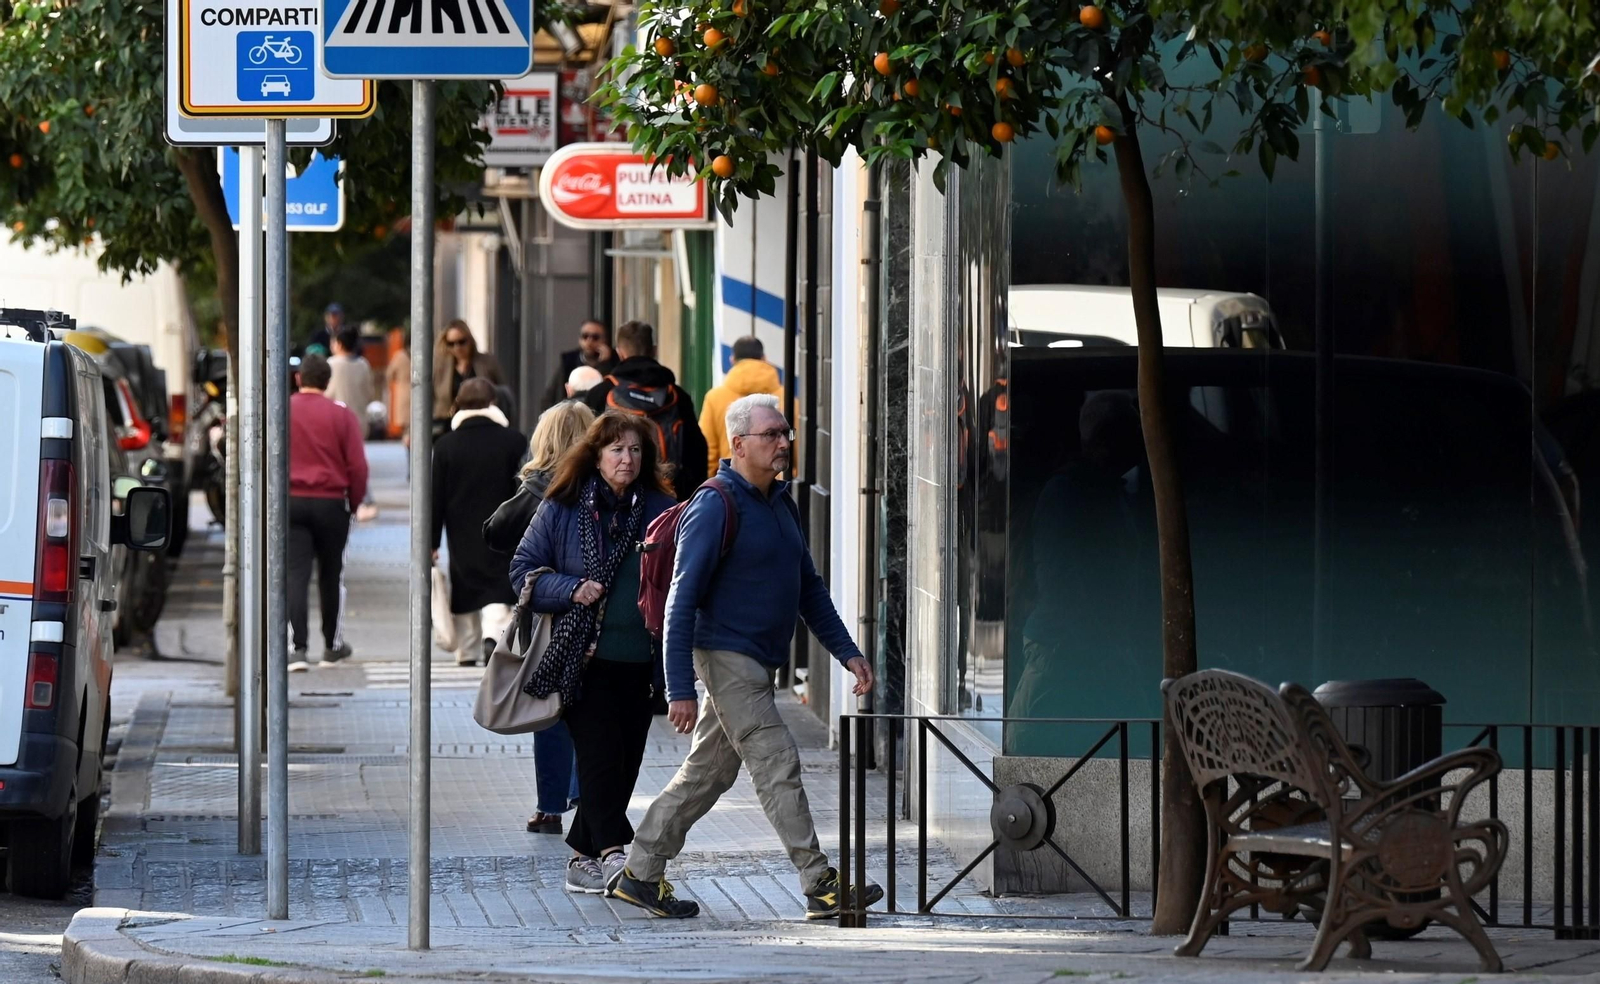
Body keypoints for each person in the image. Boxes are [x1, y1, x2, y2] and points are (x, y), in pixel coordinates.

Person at [611, 394, 883, 920]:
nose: (784, 443)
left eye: (786, 434)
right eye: (772, 435)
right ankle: (820, 882)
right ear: (738, 444)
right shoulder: (715, 504)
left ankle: (640, 873)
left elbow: (808, 587)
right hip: (726, 655)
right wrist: (679, 688)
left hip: (759, 661)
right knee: (777, 760)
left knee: (707, 774)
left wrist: (847, 653)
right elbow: (680, 601)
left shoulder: (782, 502)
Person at [509, 412, 675, 894]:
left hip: (642, 660)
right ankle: (615, 856)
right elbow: (523, 570)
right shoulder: (562, 506)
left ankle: (582, 860)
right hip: (581, 658)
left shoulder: (663, 509)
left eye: (635, 450)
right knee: (600, 758)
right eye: (617, 450)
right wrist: (572, 588)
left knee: (625, 764)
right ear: (597, 456)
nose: (627, 459)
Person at [484, 400, 595, 835]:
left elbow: (493, 532)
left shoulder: (539, 488)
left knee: (548, 709)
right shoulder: (604, 486)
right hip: (593, 613)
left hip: (548, 617)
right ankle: (584, 796)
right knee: (588, 710)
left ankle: (551, 806)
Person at [430, 378, 527, 666]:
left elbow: (435, 497)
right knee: (500, 583)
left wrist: (431, 541)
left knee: (465, 583)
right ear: (492, 403)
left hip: (461, 531)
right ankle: (493, 638)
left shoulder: (446, 445)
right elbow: (524, 491)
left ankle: (468, 650)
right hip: (505, 529)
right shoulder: (515, 441)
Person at [286, 353, 368, 671]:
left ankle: (298, 647)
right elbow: (357, 466)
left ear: (298, 379)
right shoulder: (341, 415)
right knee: (331, 575)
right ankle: (332, 645)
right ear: (328, 381)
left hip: (292, 502)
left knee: (295, 574)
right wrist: (355, 503)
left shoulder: (284, 411)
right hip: (331, 503)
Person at [584, 320, 708, 502]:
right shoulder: (677, 396)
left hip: (613, 499)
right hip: (669, 499)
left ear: (620, 352)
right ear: (654, 350)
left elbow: (585, 447)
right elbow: (697, 454)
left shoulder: (601, 393)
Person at [698, 336, 783, 478]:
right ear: (764, 358)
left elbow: (706, 455)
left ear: (732, 360)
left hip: (730, 489)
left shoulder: (714, 398)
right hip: (776, 490)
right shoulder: (787, 398)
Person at [431, 319, 503, 437]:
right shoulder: (440, 367)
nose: (457, 347)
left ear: (470, 340)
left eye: (461, 342)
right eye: (451, 343)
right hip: (448, 427)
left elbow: (502, 390)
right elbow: (431, 397)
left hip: (482, 425)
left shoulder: (487, 362)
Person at [542, 319, 616, 411]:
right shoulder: (569, 362)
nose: (589, 341)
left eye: (595, 337)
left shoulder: (614, 362)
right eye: (585, 336)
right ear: (580, 340)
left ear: (605, 340)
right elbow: (550, 397)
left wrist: (605, 364)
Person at [325, 326, 377, 422]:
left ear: (339, 344)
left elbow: (327, 394)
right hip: (359, 421)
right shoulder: (364, 364)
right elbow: (369, 394)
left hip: (336, 420)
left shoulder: (331, 364)